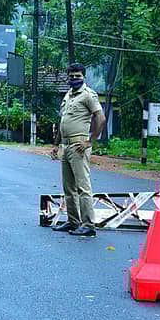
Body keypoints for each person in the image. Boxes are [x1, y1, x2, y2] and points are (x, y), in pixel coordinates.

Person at [50, 62, 106, 237]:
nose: (74, 79)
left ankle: (88, 224)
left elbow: (101, 118)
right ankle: (73, 221)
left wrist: (90, 141)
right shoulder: (68, 95)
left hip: (79, 145)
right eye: (71, 76)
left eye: (78, 76)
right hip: (66, 145)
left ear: (84, 77)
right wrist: (56, 144)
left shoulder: (88, 95)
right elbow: (63, 122)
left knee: (83, 187)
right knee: (69, 188)